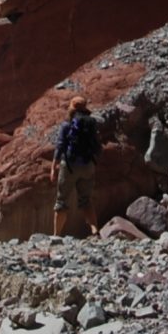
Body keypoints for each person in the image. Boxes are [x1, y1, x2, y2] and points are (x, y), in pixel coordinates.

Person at [51, 95, 101, 237]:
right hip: (88, 165)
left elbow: (60, 146)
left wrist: (53, 167)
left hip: (69, 167)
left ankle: (56, 235)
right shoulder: (91, 123)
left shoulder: (67, 125)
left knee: (62, 202)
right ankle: (94, 230)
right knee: (86, 200)